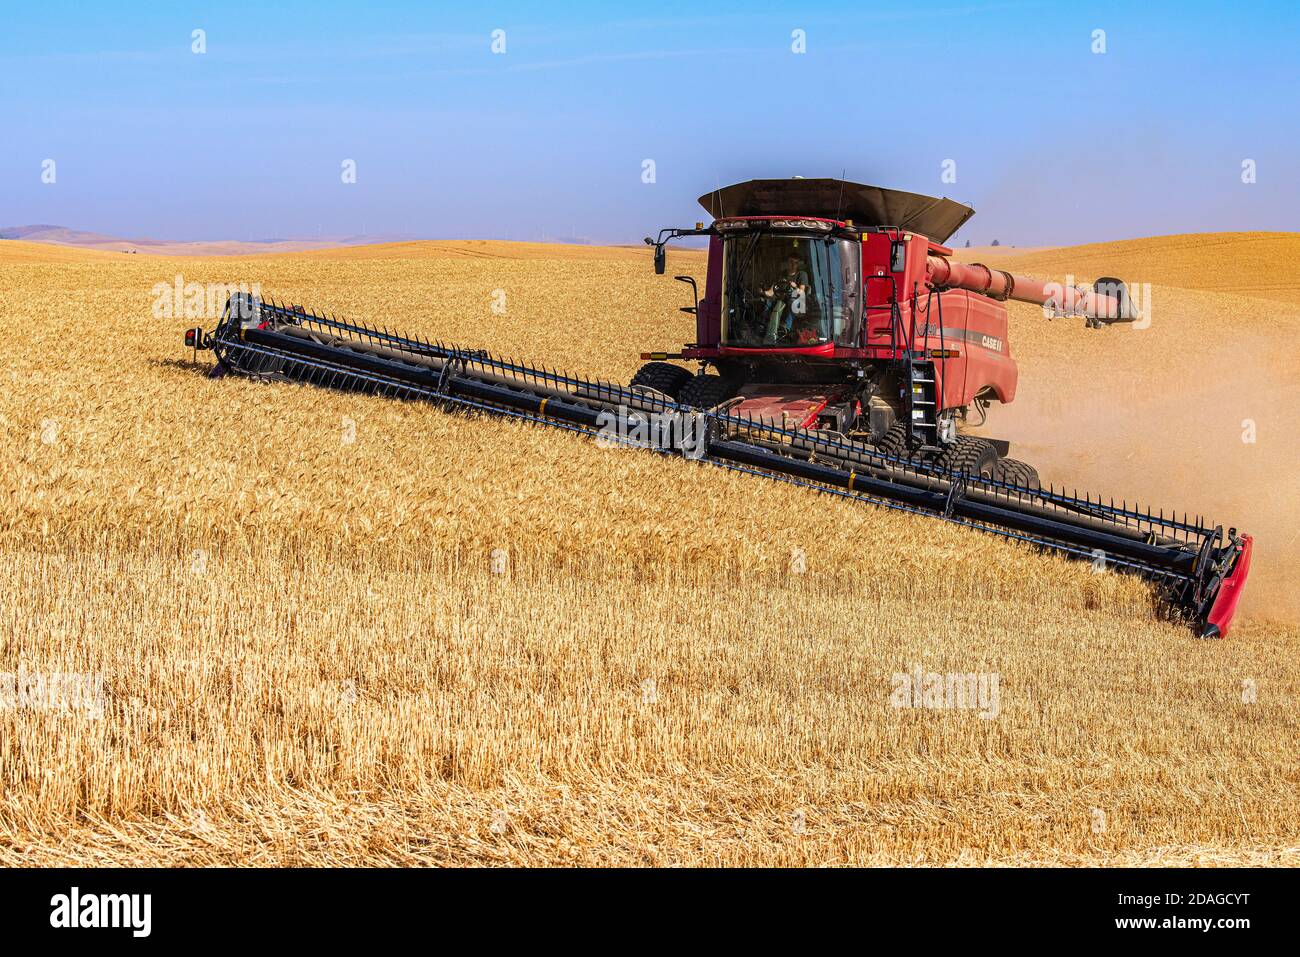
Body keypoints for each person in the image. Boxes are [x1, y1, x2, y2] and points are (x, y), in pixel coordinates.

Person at [760, 253, 810, 343]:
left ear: (798, 264)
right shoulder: (782, 274)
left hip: (796, 299)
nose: (793, 265)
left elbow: (802, 292)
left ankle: (786, 327)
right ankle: (764, 325)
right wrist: (763, 292)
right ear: (787, 262)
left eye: (796, 263)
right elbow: (771, 291)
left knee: (792, 301)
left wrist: (795, 287)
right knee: (768, 301)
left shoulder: (802, 274)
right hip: (781, 297)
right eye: (791, 262)